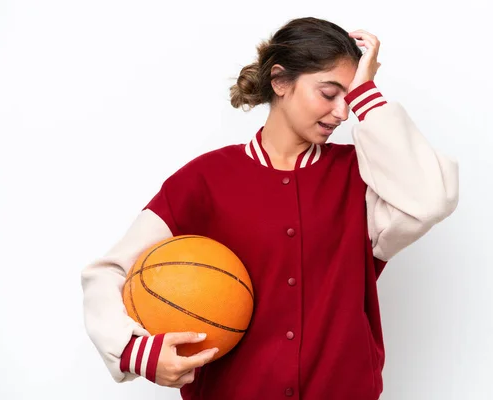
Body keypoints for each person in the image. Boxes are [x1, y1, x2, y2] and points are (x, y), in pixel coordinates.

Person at [81, 16, 459, 400]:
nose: (343, 113)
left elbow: (431, 199)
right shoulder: (206, 179)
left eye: (351, 97)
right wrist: (134, 352)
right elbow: (109, 272)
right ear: (280, 81)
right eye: (330, 94)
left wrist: (367, 92)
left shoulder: (362, 177)